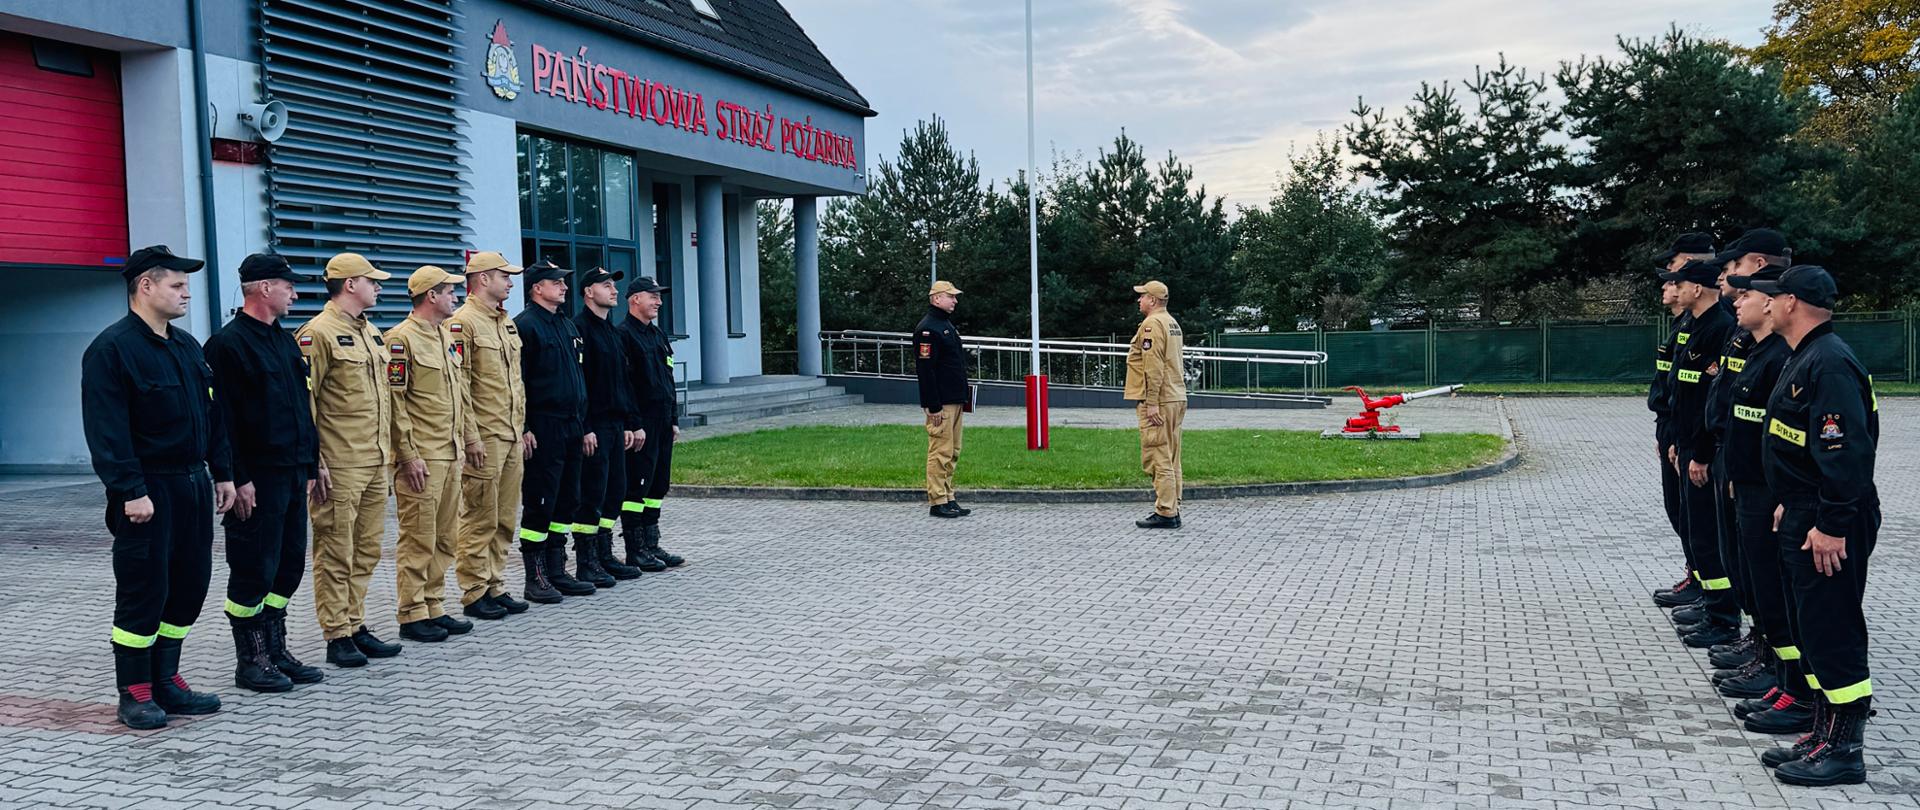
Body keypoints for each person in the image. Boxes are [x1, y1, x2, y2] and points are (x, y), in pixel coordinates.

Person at [82, 244, 235, 729]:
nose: (186, 293)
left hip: (192, 482)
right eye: (177, 285)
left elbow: (212, 416)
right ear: (145, 286)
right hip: (149, 488)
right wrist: (130, 490)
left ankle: (166, 678)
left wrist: (223, 472)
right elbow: (107, 430)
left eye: (187, 285)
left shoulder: (186, 347)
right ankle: (135, 691)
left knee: (189, 586)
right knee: (144, 588)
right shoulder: (112, 349)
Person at [1750, 265, 1880, 787]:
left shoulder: (1828, 363)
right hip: (1805, 509)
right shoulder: (1805, 356)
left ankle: (1845, 750)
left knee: (1833, 629)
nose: (1766, 302)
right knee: (1811, 628)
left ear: (1792, 302)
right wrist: (1792, 499)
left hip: (1828, 520)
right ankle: (1823, 733)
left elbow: (1846, 455)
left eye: (1774, 295)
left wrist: (1831, 523)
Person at [204, 253, 323, 693]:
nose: (295, 295)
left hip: (291, 473)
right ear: (264, 288)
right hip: (256, 479)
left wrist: (310, 464)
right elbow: (222, 420)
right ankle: (251, 660)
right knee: (254, 567)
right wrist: (237, 477)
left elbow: (302, 408)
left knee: (287, 566)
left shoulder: (285, 341)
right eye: (289, 286)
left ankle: (276, 650)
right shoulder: (227, 345)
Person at [1696, 229, 1791, 700]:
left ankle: (1788, 678)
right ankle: (1764, 649)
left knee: (1772, 584)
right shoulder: (1747, 339)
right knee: (1750, 573)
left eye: (1735, 273)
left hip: (1767, 486)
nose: (1727, 282)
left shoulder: (1794, 355)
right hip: (1738, 469)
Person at [295, 253, 402, 667]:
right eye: (372, 281)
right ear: (350, 284)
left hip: (374, 459)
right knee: (336, 551)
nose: (378, 287)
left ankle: (355, 623)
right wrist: (315, 461)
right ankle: (336, 633)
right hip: (338, 463)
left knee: (366, 550)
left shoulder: (371, 332)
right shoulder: (317, 334)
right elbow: (306, 405)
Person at [1720, 266, 1812, 735]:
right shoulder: (1763, 350)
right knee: (1759, 585)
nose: (1738, 301)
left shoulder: (1801, 358)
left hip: (1776, 495)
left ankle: (1794, 685)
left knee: (1779, 594)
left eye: (1749, 294)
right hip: (1752, 484)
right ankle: (1778, 669)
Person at [385, 266, 473, 643]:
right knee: (419, 536)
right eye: (449, 291)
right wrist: (407, 454)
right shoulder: (400, 340)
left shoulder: (444, 336)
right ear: (431, 296)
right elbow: (394, 403)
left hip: (449, 452)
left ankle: (433, 604)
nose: (455, 297)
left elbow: (459, 395)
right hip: (423, 457)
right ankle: (411, 612)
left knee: (445, 537)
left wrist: (468, 441)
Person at [448, 251, 531, 621]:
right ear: (483, 278)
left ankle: (495, 583)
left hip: (510, 433)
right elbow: (461, 387)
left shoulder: (505, 322)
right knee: (479, 515)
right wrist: (470, 437)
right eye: (504, 276)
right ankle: (475, 590)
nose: (510, 283)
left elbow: (515, 383)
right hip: (485, 436)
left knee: (505, 516)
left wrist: (522, 428)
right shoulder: (462, 323)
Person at [1661, 259, 1738, 647]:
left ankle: (1723, 617)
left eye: (1680, 283)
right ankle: (1711, 605)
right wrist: (1676, 439)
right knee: (1695, 530)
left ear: (1696, 288)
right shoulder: (1692, 325)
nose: (1673, 288)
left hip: (1703, 447)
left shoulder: (1720, 328)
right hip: (1687, 439)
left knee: (1707, 534)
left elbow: (1715, 400)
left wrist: (1702, 453)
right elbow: (1682, 389)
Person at [515, 261, 596, 601]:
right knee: (541, 499)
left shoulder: (566, 325)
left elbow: (579, 379)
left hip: (572, 424)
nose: (563, 287)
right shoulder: (525, 326)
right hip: (544, 425)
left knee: (567, 499)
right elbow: (518, 382)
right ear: (537, 288)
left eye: (563, 282)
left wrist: (585, 426)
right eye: (556, 282)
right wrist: (525, 427)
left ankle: (557, 569)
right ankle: (535, 577)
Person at [1649, 233, 1715, 609]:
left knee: (1700, 521)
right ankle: (1701, 583)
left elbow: (1710, 396)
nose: (1669, 280)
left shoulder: (1714, 323)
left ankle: (1713, 599)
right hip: (1678, 430)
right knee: (1684, 514)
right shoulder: (1687, 324)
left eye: (1674, 270)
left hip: (1696, 438)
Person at [570, 267, 644, 586]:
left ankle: (604, 554)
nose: (614, 291)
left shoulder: (612, 333)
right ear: (589, 292)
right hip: (594, 425)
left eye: (614, 286)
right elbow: (578, 384)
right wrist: (585, 426)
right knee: (592, 492)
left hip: (615, 424)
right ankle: (586, 561)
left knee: (615, 491)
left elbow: (623, 382)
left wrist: (629, 422)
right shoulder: (579, 329)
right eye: (606, 285)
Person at [617, 277, 685, 569]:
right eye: (653, 296)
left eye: (659, 296)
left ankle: (652, 544)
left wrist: (673, 419)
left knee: (658, 485)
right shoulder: (624, 335)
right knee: (637, 486)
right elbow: (625, 385)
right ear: (635, 299)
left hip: (662, 422)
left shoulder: (657, 335)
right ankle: (636, 549)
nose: (659, 302)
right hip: (641, 424)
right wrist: (632, 424)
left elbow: (668, 379)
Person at [1124, 280, 1187, 529]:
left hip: (1160, 400)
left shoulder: (1152, 325)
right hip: (1175, 396)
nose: (1139, 300)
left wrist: (1151, 403)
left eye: (1142, 296)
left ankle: (1166, 512)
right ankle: (1173, 506)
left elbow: (1153, 366)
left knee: (1158, 455)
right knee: (1171, 456)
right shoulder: (1172, 323)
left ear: (1153, 300)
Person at [914, 280, 970, 518]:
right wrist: (933, 405)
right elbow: (926, 371)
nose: (955, 300)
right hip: (942, 402)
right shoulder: (928, 329)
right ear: (937, 298)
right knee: (940, 451)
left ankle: (948, 496)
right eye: (951, 296)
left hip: (954, 398)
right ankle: (937, 501)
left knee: (953, 450)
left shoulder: (945, 325)